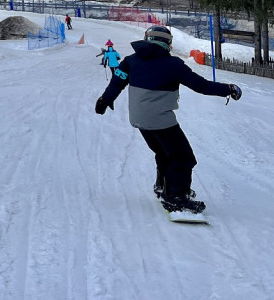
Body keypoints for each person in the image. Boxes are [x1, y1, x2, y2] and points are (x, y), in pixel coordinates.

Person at [94, 24, 242, 214]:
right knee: (183, 157)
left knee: (164, 152)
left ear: (147, 39)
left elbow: (117, 81)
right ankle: (176, 198)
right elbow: (201, 86)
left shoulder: (130, 61)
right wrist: (228, 89)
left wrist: (104, 100)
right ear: (168, 43)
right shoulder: (174, 65)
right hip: (160, 119)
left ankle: (163, 186)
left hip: (139, 119)